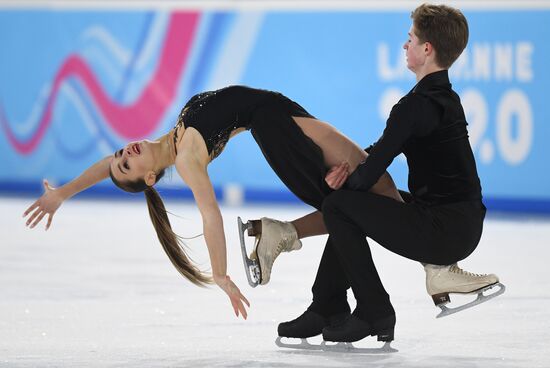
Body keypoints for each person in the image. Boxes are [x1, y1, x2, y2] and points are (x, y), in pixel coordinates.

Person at [22, 85, 403, 320]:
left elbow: (106, 166)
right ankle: (434, 261)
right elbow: (210, 214)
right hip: (275, 125)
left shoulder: (169, 138)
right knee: (366, 195)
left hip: (279, 110)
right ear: (149, 178)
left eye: (121, 152)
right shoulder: (186, 159)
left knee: (360, 196)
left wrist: (62, 193)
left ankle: (308, 269)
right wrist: (220, 275)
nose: (124, 153)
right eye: (128, 163)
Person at [275, 3, 500, 343]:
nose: (404, 45)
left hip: (444, 231)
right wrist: (351, 173)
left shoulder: (415, 106)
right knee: (352, 201)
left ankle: (373, 310)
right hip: (459, 223)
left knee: (340, 205)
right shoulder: (443, 98)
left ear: (427, 49)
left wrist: (340, 178)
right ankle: (326, 305)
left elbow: (370, 171)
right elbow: (376, 156)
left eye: (410, 39)